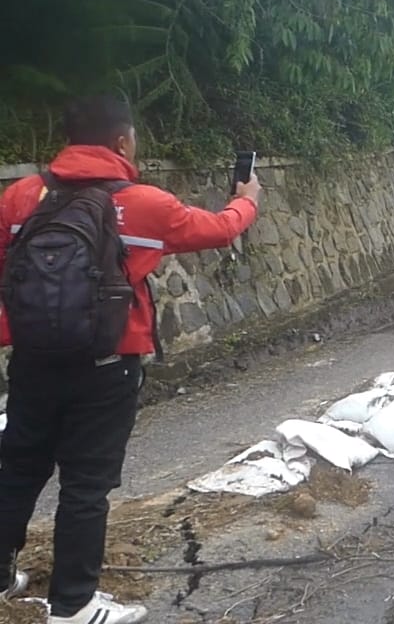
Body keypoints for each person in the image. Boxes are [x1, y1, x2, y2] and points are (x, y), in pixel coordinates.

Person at [0, 95, 261, 623]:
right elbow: (219, 228)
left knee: (18, 468)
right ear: (122, 141)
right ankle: (73, 605)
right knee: (86, 482)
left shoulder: (21, 197)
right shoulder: (144, 203)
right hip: (107, 364)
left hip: (30, 360)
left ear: (68, 139)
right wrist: (248, 199)